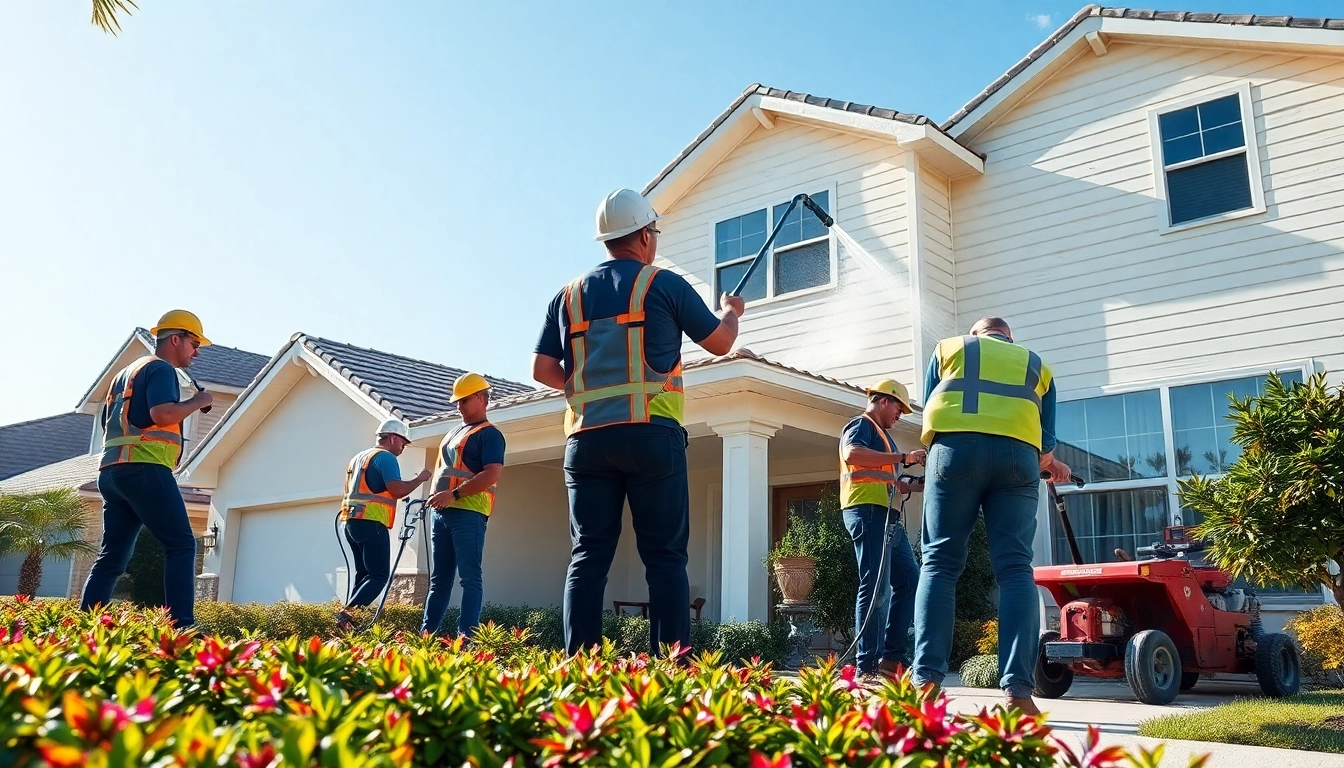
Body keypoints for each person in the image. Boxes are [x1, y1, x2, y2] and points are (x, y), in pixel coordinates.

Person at [532, 188, 744, 656]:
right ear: (645, 235)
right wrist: (731, 312)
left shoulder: (566, 298)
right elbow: (720, 343)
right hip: (651, 436)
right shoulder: (662, 284)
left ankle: (581, 667)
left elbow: (543, 370)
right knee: (665, 558)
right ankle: (669, 671)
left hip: (586, 440)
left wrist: (587, 382)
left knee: (588, 556)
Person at [912, 316, 1071, 716]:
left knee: (939, 565)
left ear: (976, 334)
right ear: (1009, 340)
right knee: (1017, 570)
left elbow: (929, 405)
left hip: (954, 454)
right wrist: (1052, 465)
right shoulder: (1037, 365)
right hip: (1019, 460)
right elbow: (1046, 449)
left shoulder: (950, 348)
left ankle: (926, 687)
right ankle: (1019, 694)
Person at [80, 309, 215, 627]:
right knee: (181, 544)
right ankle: (181, 627)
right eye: (194, 343)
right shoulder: (161, 370)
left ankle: (85, 626)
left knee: (111, 558)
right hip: (145, 468)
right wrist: (199, 400)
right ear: (175, 339)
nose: (196, 352)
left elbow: (110, 424)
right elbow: (163, 413)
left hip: (112, 472)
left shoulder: (124, 375)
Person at [839, 379, 927, 681]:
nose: (900, 415)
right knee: (875, 588)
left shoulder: (884, 438)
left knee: (909, 580)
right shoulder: (860, 424)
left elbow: (891, 481)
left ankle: (891, 659)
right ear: (884, 401)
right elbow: (852, 455)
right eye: (899, 408)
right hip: (867, 512)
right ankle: (867, 667)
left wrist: (917, 483)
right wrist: (903, 458)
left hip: (886, 516)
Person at [420, 373, 505, 637]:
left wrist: (454, 495)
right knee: (439, 581)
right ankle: (426, 636)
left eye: (464, 400)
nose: (459, 406)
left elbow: (491, 474)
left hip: (469, 513)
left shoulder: (490, 435)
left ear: (482, 398)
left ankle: (465, 640)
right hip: (443, 513)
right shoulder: (454, 432)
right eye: (457, 401)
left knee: (470, 579)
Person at [336, 418, 431, 632]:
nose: (403, 447)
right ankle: (345, 615)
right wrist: (420, 479)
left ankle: (348, 624)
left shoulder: (359, 458)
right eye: (403, 443)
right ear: (393, 438)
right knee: (378, 576)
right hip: (372, 521)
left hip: (351, 522)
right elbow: (396, 490)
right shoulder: (385, 457)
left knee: (364, 575)